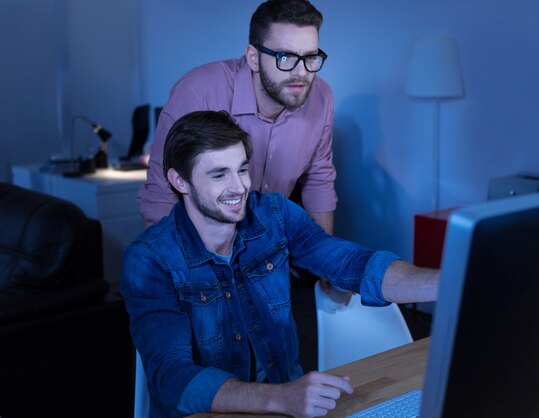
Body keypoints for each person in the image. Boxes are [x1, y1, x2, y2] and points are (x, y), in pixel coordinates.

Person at [121, 110, 440, 418]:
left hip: (287, 405)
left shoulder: (273, 213)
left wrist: (450, 285)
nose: (239, 187)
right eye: (219, 174)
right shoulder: (149, 259)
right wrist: (281, 397)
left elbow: (351, 263)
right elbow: (172, 380)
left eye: (242, 169)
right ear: (180, 181)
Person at [137, 0, 336, 237]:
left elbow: (318, 181)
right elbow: (162, 194)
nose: (302, 73)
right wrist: (165, 269)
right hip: (199, 244)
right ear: (253, 57)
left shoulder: (321, 97)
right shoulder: (198, 94)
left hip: (268, 247)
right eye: (286, 57)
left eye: (311, 58)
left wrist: (326, 264)